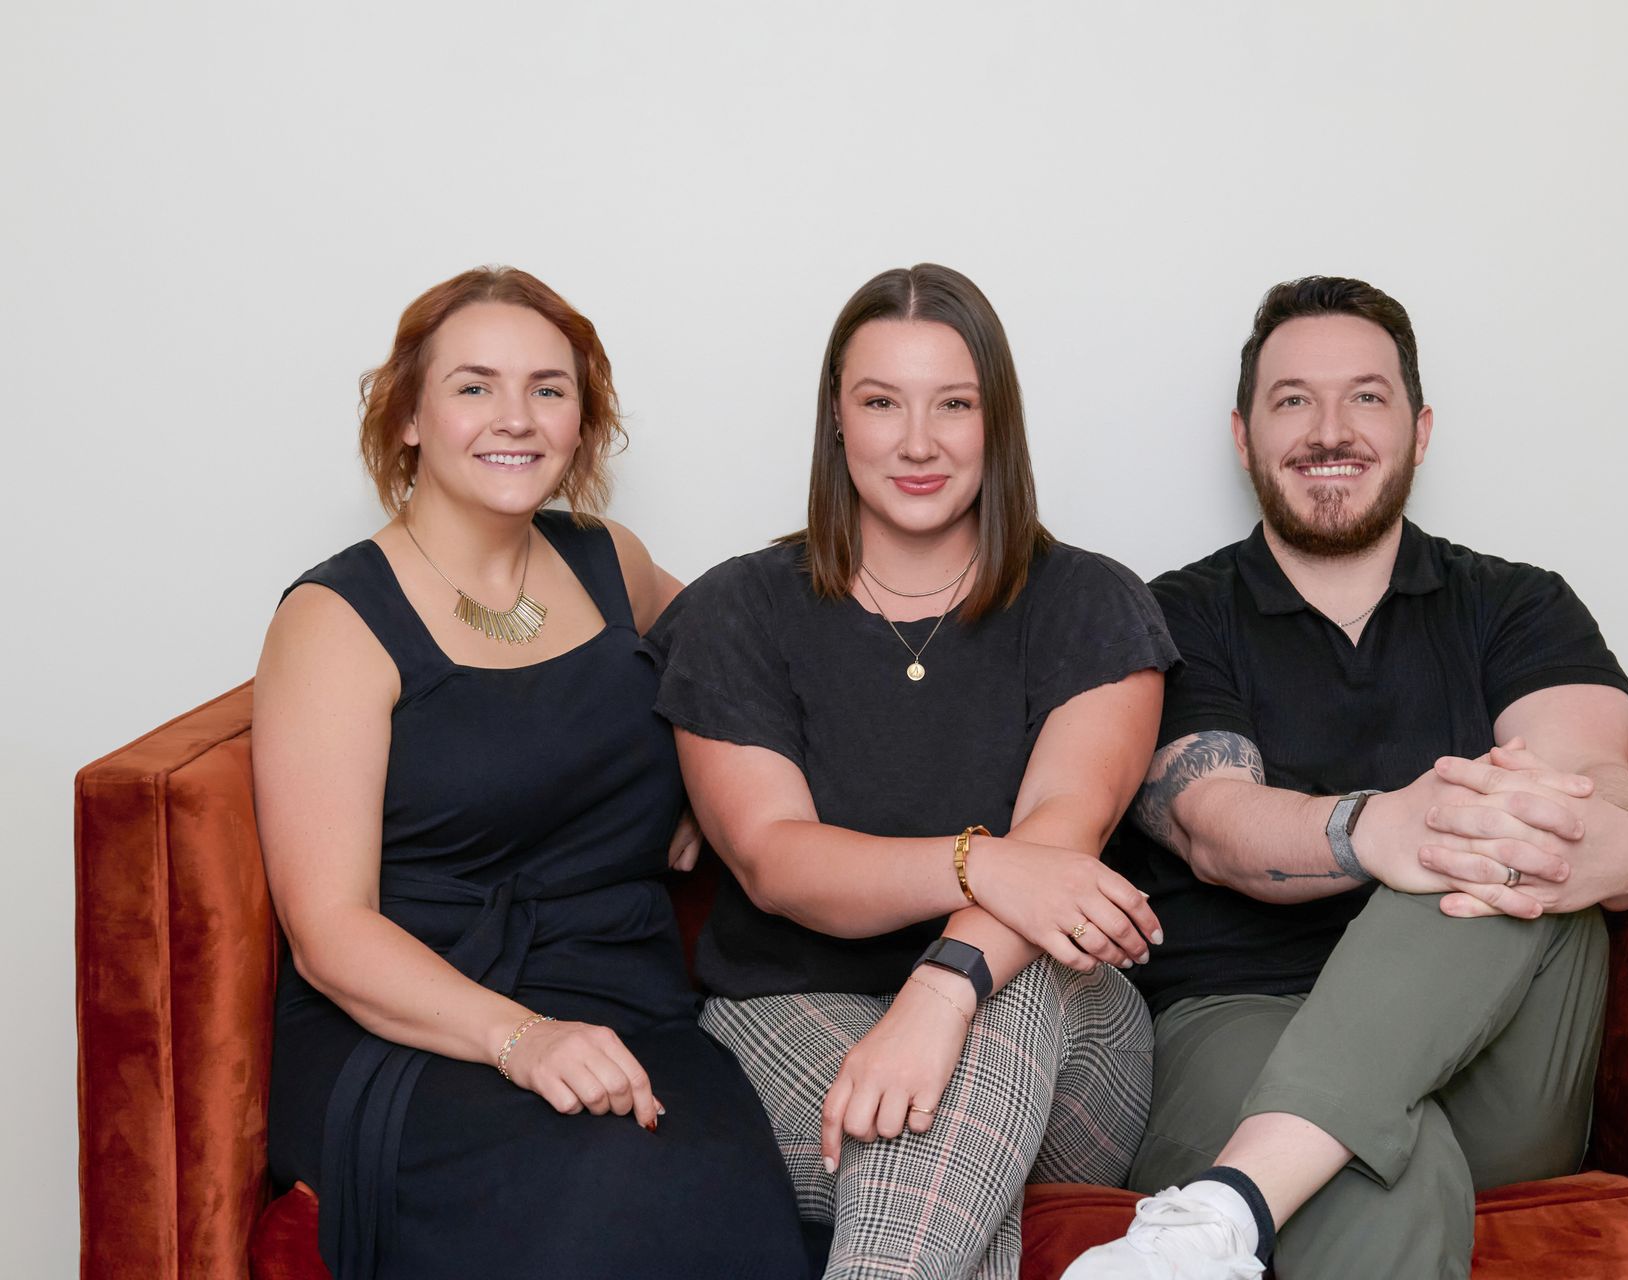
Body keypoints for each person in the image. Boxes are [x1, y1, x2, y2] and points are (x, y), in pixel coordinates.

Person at [1065, 276, 1628, 1280]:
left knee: (1494, 827)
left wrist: (1578, 839)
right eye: (1292, 399)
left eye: (1367, 396)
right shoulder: (1172, 616)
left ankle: (1233, 1201)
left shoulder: (1518, 605)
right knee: (1395, 1164)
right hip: (1237, 1022)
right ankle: (1268, 1171)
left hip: (1499, 1057)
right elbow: (1215, 821)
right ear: (1243, 435)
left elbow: (1601, 791)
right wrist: (1373, 828)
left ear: (1421, 429)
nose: (1329, 429)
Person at [254, 267, 810, 1279]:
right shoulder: (334, 620)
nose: (515, 417)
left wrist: (700, 779)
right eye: (474, 386)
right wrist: (524, 1039)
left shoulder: (612, 562)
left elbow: (745, 664)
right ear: (410, 415)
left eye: (549, 388)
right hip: (415, 1026)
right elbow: (329, 931)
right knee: (605, 1193)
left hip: (627, 1001)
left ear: (582, 419)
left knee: (728, 1198)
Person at [641, 263, 1179, 1280]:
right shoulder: (742, 610)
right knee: (923, 1146)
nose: (918, 440)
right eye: (881, 402)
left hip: (1065, 1038)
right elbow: (775, 859)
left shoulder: (1090, 603)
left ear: (998, 423)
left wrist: (945, 985)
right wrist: (985, 864)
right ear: (836, 422)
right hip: (788, 1014)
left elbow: (1061, 835)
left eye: (955, 404)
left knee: (1039, 953)